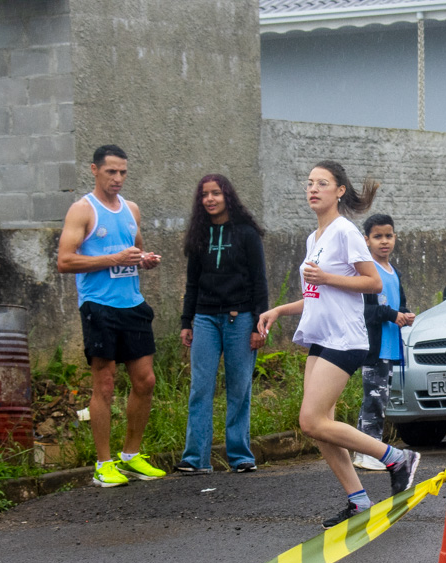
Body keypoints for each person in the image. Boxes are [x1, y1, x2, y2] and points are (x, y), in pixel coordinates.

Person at [256, 161, 421, 528]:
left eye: (323, 183)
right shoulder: (313, 239)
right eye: (310, 183)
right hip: (321, 335)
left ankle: (396, 458)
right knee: (319, 424)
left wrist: (328, 277)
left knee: (311, 420)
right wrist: (280, 310)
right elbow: (317, 296)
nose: (313, 189)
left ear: (339, 191)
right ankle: (358, 500)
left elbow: (373, 284)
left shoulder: (346, 231)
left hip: (345, 338)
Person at [57, 144, 167, 488]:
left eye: (122, 172)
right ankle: (103, 464)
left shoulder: (130, 209)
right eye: (110, 172)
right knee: (104, 384)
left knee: (145, 380)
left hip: (132, 304)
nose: (117, 178)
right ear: (94, 170)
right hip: (99, 306)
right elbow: (65, 260)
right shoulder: (82, 210)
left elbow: (133, 250)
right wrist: (113, 259)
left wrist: (145, 259)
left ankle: (131, 456)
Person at [176, 174, 268, 475]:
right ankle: (195, 460)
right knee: (200, 388)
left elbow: (259, 282)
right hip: (204, 319)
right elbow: (192, 283)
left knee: (239, 388)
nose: (210, 199)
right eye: (205, 195)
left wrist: (259, 324)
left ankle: (240, 456)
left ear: (228, 195)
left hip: (240, 319)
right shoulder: (199, 234)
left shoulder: (246, 234)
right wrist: (186, 321)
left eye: (216, 193)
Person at [352, 213, 415, 471]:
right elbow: (365, 311)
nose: (384, 241)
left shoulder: (394, 272)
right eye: (377, 237)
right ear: (366, 240)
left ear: (395, 237)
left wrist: (405, 314)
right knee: (374, 401)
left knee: (378, 399)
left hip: (390, 347)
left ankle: (361, 450)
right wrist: (393, 315)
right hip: (373, 348)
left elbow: (398, 303)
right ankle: (370, 452)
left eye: (388, 236)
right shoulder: (368, 272)